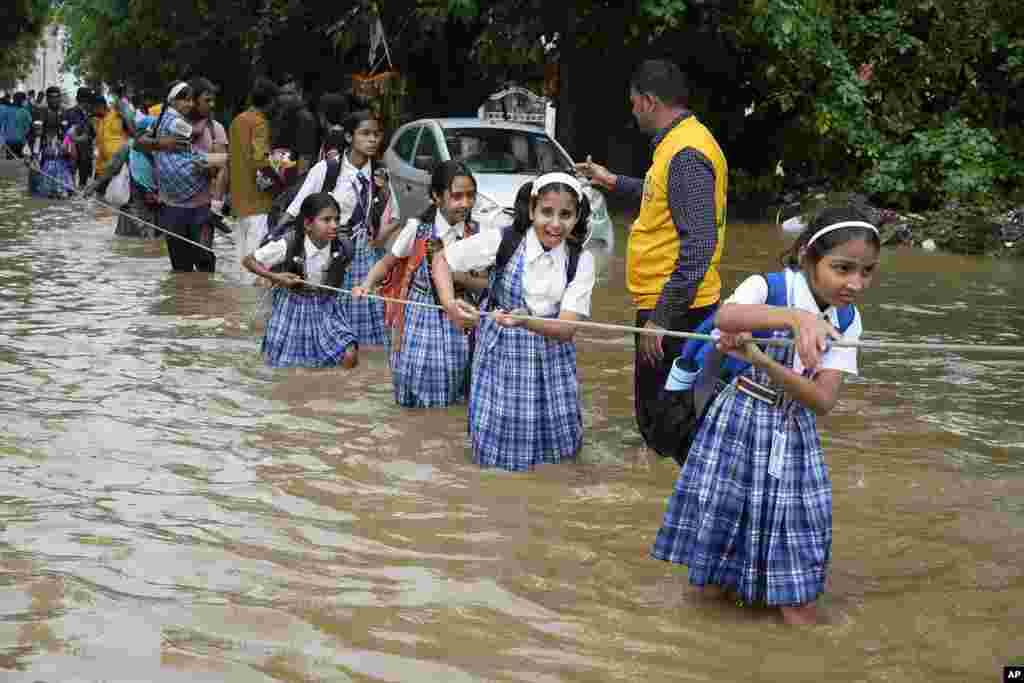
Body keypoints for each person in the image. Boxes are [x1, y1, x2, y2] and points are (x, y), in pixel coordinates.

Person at [651, 206, 880, 625]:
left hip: (794, 430)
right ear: (810, 257)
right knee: (715, 558)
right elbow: (726, 316)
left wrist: (763, 360)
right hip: (737, 418)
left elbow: (822, 400)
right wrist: (797, 319)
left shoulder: (848, 320)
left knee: (800, 539)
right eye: (843, 268)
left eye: (866, 272)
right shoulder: (769, 288)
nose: (854, 283)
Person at [575, 59, 728, 461]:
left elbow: (698, 245)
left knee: (665, 424)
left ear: (647, 101)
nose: (632, 111)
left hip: (678, 311)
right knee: (664, 418)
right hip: (673, 305)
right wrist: (612, 182)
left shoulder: (686, 154)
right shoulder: (680, 145)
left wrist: (661, 319)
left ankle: (680, 501)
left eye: (633, 103)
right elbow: (662, 196)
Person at [433, 172, 596, 470]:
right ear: (532, 209)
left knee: (559, 451)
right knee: (498, 449)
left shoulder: (580, 260)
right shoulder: (503, 240)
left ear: (577, 217)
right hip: (501, 356)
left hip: (553, 359)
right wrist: (450, 305)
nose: (556, 224)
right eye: (547, 212)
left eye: (566, 214)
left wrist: (525, 322)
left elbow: (566, 329)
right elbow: (442, 260)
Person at [353, 161, 487, 407]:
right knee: (417, 378)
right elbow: (387, 262)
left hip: (460, 314)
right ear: (436, 196)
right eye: (457, 196)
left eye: (470, 196)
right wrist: (366, 284)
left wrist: (455, 276)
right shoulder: (417, 229)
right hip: (421, 313)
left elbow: (484, 284)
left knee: (458, 380)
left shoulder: (476, 234)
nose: (465, 203)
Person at [284, 111, 401, 348]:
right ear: (349, 137)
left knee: (364, 317)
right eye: (365, 134)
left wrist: (378, 240)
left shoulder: (379, 173)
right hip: (328, 250)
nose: (372, 140)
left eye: (376, 134)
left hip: (362, 255)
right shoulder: (327, 170)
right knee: (322, 309)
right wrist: (275, 243)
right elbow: (295, 209)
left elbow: (396, 216)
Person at [242, 192, 358, 369]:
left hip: (327, 306)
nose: (334, 225)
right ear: (308, 224)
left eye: (336, 219)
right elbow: (249, 260)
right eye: (326, 220)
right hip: (293, 307)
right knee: (291, 366)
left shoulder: (342, 246)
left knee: (349, 354)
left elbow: (343, 276)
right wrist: (275, 277)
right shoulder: (288, 243)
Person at [152, 81, 217, 272]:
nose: (189, 104)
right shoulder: (176, 122)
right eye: (185, 100)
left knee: (204, 261)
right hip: (173, 204)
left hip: (200, 204)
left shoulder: (216, 129)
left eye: (190, 100)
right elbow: (140, 143)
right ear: (173, 101)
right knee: (181, 267)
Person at [229, 77, 279, 280]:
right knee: (256, 262)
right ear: (270, 102)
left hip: (239, 201)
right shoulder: (260, 123)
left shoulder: (236, 121)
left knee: (241, 261)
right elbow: (260, 159)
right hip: (258, 202)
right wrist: (278, 177)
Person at [26, 86, 75, 198]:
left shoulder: (65, 112)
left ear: (60, 98)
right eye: (51, 97)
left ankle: (67, 189)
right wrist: (32, 154)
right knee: (37, 184)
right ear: (47, 99)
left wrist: (67, 148)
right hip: (42, 148)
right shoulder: (40, 112)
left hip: (62, 149)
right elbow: (34, 135)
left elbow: (69, 134)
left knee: (67, 185)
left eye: (57, 97)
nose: (54, 100)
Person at [92, 94, 128, 179]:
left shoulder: (117, 114)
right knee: (98, 191)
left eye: (94, 108)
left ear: (100, 106)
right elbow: (99, 143)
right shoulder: (97, 121)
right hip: (102, 166)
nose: (93, 111)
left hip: (119, 165)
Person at [65, 87, 96, 187]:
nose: (86, 103)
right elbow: (66, 134)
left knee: (83, 180)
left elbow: (94, 133)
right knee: (71, 180)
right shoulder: (70, 113)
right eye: (85, 100)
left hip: (86, 152)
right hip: (72, 151)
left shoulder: (92, 114)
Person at [5, 93, 32, 158]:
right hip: (20, 141)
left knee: (10, 162)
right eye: (24, 100)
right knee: (20, 164)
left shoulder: (7, 110)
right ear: (22, 101)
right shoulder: (25, 112)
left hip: (8, 141)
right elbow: (29, 126)